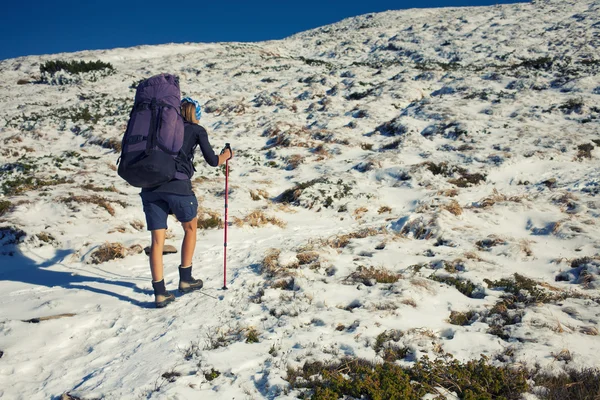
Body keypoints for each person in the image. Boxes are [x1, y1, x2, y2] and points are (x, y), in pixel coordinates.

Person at [140, 97, 233, 308]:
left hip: (150, 187)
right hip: (178, 187)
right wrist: (226, 155)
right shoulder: (196, 130)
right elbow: (213, 161)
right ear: (195, 113)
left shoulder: (159, 128)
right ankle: (185, 279)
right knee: (190, 229)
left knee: (157, 241)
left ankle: (160, 293)